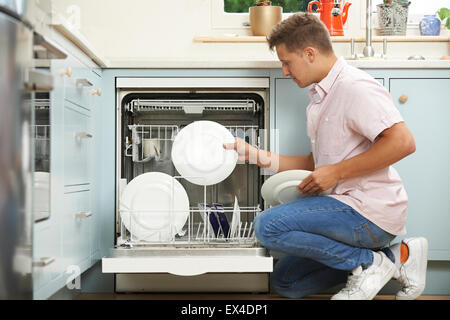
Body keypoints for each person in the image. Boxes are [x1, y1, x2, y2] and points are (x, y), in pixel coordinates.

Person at [223, 13, 428, 300]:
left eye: (286, 62)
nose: (283, 71)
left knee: (267, 225)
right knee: (286, 283)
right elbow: (315, 164)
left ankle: (371, 263)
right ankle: (396, 258)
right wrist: (255, 155)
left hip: (368, 212)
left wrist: (336, 172)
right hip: (340, 207)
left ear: (309, 53)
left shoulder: (354, 87)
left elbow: (403, 143)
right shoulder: (319, 98)